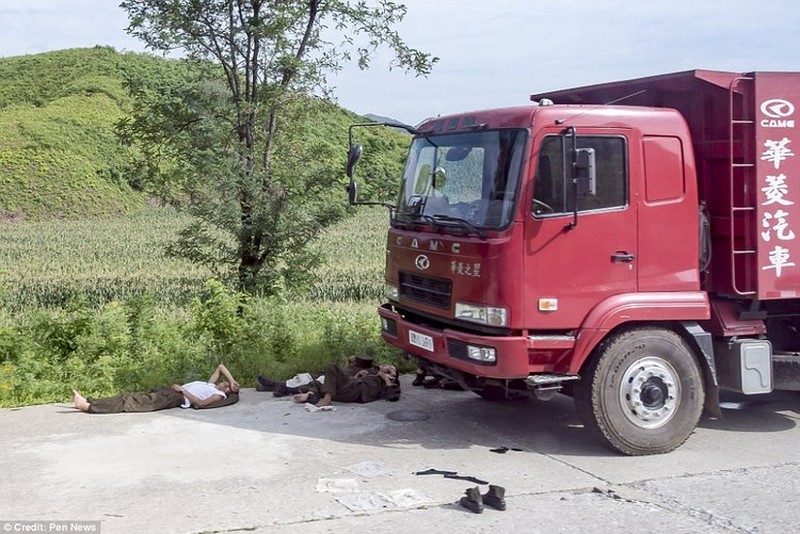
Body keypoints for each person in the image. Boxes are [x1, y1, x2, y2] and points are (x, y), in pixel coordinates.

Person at [71, 363, 240, 413]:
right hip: (172, 392)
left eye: (226, 385)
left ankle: (88, 407)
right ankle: (92, 402)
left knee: (131, 402)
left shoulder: (219, 395)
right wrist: (232, 381)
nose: (224, 382)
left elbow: (201, 404)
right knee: (130, 396)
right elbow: (220, 367)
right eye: (225, 381)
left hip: (176, 397)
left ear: (227, 392)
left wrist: (183, 391)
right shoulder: (210, 385)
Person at [292, 362, 400, 407]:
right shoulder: (374, 372)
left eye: (391, 369)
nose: (388, 367)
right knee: (319, 382)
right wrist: (358, 375)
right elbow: (355, 378)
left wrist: (387, 380)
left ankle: (326, 399)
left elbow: (393, 397)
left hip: (355, 392)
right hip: (349, 387)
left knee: (332, 367)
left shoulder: (391, 384)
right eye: (387, 366)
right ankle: (310, 395)